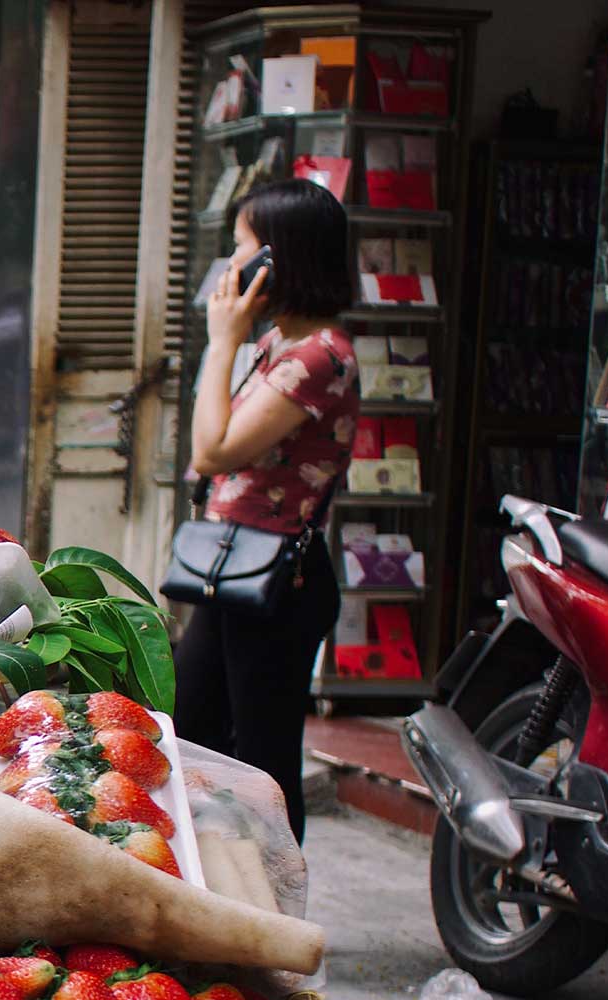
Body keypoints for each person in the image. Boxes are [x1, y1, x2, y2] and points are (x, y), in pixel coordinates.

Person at [175, 179, 358, 842]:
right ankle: (212, 901)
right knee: (190, 731)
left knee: (265, 766)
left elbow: (214, 448)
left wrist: (222, 341)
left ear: (277, 261)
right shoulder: (280, 346)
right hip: (234, 571)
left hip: (279, 583)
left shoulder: (321, 357)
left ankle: (272, 921)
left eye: (241, 246)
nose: (229, 263)